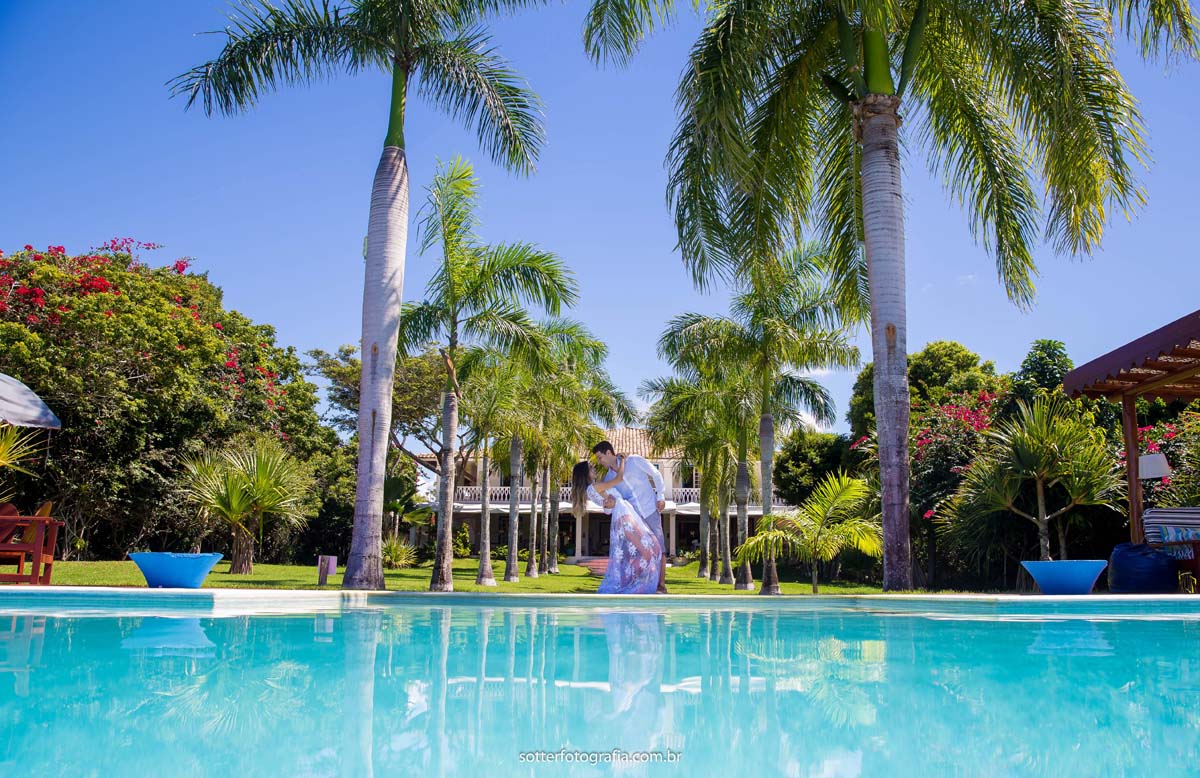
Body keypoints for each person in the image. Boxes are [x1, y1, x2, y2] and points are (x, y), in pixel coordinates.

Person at [571, 459, 662, 595]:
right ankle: (629, 585)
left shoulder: (593, 489)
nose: (594, 468)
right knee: (648, 553)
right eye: (590, 467)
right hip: (624, 518)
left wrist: (610, 504)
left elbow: (607, 508)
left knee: (652, 549)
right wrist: (623, 461)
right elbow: (619, 479)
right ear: (585, 473)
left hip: (626, 515)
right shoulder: (594, 488)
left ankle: (629, 583)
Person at [592, 441, 669, 593]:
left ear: (609, 453)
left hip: (650, 509)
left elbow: (655, 474)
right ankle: (640, 584)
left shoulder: (634, 461)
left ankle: (661, 585)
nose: (599, 462)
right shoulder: (608, 479)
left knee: (660, 547)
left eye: (600, 457)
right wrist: (608, 506)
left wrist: (660, 496)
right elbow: (612, 502)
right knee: (640, 552)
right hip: (634, 519)